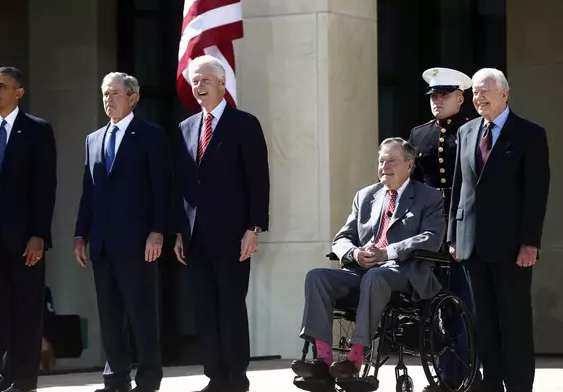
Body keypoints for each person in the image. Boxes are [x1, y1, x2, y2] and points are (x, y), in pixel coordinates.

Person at [292, 138, 445, 384]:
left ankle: (354, 360)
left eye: (392, 161)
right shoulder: (366, 196)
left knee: (376, 276)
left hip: (402, 272)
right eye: (381, 161)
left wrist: (388, 252)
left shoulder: (428, 197)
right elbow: (342, 238)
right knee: (317, 277)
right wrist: (354, 254)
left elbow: (431, 238)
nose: (385, 166)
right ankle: (322, 360)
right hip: (363, 271)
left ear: (409, 165)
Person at [448, 68, 550, 392]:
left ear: (504, 94)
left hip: (510, 247)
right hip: (471, 245)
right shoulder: (466, 132)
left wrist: (529, 242)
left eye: (485, 92)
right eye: (475, 93)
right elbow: (458, 187)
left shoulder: (529, 134)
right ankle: (491, 383)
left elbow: (536, 194)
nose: (478, 98)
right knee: (483, 321)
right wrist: (452, 235)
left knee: (514, 320)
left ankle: (519, 386)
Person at [173, 55, 270, 392]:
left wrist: (254, 228)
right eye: (195, 81)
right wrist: (178, 233)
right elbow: (184, 186)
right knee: (204, 309)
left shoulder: (244, 124)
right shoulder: (185, 128)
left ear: (221, 83)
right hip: (195, 237)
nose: (198, 87)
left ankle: (235, 376)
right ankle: (214, 376)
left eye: (205, 80)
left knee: (230, 305)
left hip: (233, 235)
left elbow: (258, 180)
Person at [0, 66, 57, 392]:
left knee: (27, 311)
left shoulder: (37, 130)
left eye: (1, 85)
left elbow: (46, 188)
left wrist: (39, 235)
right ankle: (6, 376)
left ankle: (26, 379)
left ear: (19, 92)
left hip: (26, 240)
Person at [74, 72, 171, 392]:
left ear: (133, 98)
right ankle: (115, 377)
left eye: (115, 93)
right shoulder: (93, 139)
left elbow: (161, 189)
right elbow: (89, 192)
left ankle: (148, 377)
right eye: (104, 93)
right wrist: (80, 234)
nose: (108, 99)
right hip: (102, 243)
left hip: (138, 242)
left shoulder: (150, 135)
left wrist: (157, 231)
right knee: (110, 315)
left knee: (142, 314)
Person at [408, 67, 482, 391]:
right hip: (429, 230)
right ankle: (445, 375)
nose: (437, 101)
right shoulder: (419, 134)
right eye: (433, 96)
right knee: (434, 306)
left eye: (443, 95)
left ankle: (468, 376)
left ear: (460, 98)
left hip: (463, 228)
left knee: (464, 303)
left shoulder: (473, 130)